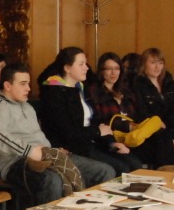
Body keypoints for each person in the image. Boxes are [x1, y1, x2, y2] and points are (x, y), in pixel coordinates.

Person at [0, 63, 117, 210]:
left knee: (104, 171)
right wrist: (30, 151)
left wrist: (52, 150)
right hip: (17, 163)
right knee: (52, 181)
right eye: (23, 83)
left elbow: (39, 138)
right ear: (7, 85)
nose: (29, 88)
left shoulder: (27, 106)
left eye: (29, 83)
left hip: (47, 154)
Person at [37, 47, 139, 176]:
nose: (86, 68)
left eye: (85, 63)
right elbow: (67, 132)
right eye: (81, 64)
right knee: (120, 168)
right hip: (74, 147)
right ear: (67, 68)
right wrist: (97, 132)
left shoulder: (79, 88)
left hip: (91, 141)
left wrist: (112, 142)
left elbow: (95, 120)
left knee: (134, 164)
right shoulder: (54, 93)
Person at [88, 52, 174, 170]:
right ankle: (163, 174)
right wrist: (128, 126)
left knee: (163, 137)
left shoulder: (125, 90)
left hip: (134, 135)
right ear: (102, 71)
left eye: (117, 68)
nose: (113, 73)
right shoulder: (94, 92)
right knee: (158, 148)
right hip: (114, 137)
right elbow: (100, 121)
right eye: (109, 69)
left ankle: (168, 176)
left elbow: (137, 115)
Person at [131, 48, 174, 172]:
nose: (157, 67)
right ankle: (168, 177)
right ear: (144, 64)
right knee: (167, 144)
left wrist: (167, 127)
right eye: (153, 63)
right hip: (150, 128)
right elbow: (141, 112)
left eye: (160, 63)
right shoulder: (138, 84)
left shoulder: (169, 82)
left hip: (169, 126)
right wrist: (159, 127)